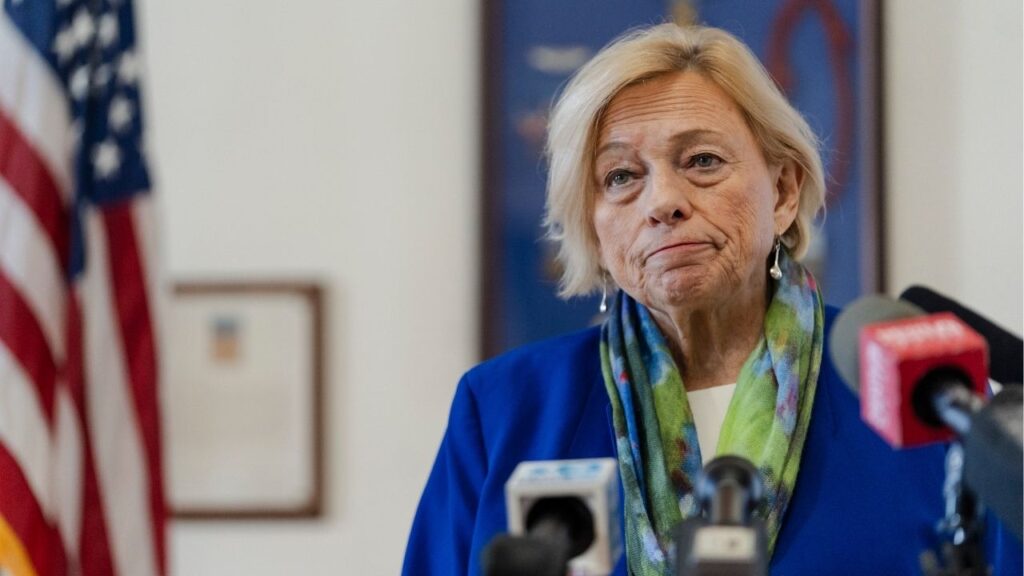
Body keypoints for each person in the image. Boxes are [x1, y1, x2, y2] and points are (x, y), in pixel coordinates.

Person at [402, 23, 1022, 576]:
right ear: (591, 222)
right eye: (620, 176)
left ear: (782, 192)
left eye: (701, 160)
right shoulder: (504, 409)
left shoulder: (924, 396)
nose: (662, 202)